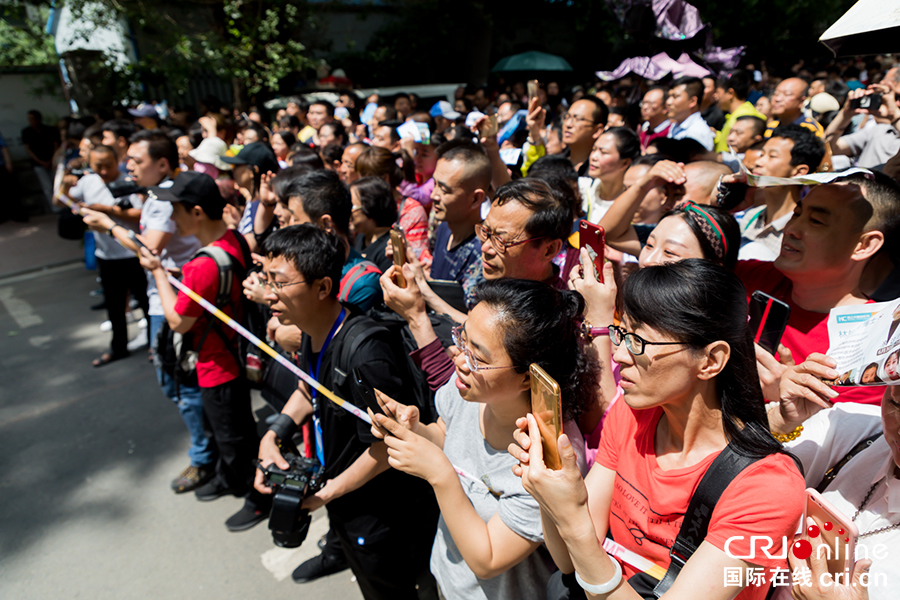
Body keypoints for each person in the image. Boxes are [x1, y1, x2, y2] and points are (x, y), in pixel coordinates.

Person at [510, 259, 805, 600]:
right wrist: (549, 486)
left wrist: (572, 516)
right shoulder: (631, 416)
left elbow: (579, 537)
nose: (619, 355)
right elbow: (567, 561)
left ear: (711, 360)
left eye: (639, 341)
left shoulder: (765, 487)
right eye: (622, 333)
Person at [370, 278, 600, 600]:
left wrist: (439, 474)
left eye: (478, 356)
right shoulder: (469, 390)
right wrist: (416, 430)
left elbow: (487, 559)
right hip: (449, 579)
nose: (460, 360)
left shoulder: (548, 458)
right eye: (462, 340)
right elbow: (446, 435)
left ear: (528, 377)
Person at [254, 225, 439, 600]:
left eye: (280, 283)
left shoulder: (365, 352)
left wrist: (327, 493)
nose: (269, 293)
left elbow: (390, 445)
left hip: (380, 510)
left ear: (323, 287)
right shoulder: (312, 329)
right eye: (267, 280)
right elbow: (310, 388)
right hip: (344, 495)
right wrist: (274, 434)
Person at [138, 170, 270, 532]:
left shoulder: (201, 266)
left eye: (175, 209)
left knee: (234, 437)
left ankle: (257, 497)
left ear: (196, 212)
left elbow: (178, 321)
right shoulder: (233, 240)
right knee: (230, 429)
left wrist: (158, 273)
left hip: (218, 365)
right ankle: (229, 478)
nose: (170, 218)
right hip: (234, 354)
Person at [737, 171, 900, 406]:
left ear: (864, 245)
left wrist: (785, 403)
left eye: (816, 221)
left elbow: (850, 428)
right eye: (797, 214)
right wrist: (723, 206)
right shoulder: (749, 278)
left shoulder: (877, 347)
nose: (791, 229)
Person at [63, 145, 147, 367]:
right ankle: (118, 348)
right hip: (107, 256)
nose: (104, 171)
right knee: (114, 307)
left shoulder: (129, 181)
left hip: (133, 253)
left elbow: (141, 214)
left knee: (146, 302)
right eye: (98, 166)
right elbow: (62, 200)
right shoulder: (88, 182)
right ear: (90, 164)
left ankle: (154, 345)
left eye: (108, 165)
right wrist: (65, 185)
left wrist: (106, 211)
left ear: (117, 161)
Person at [738, 124, 826, 261]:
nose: (758, 162)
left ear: (798, 172)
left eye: (772, 156)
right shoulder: (751, 217)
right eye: (762, 154)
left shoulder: (801, 232)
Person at [354, 146, 428, 259]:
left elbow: (418, 258)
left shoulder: (412, 211)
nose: (360, 186)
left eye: (366, 180)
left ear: (385, 178)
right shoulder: (360, 206)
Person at [825, 81, 900, 169]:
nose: (897, 103)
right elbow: (830, 148)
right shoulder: (881, 130)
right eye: (896, 97)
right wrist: (845, 115)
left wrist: (895, 116)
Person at [581, 127, 641, 223]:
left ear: (625, 163)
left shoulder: (636, 206)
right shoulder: (582, 190)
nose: (594, 157)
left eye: (604, 152)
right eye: (594, 149)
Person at [350, 176, 397, 273]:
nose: (348, 211)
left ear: (370, 205)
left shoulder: (389, 250)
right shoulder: (360, 238)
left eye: (352, 206)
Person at [714, 71, 767, 153]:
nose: (715, 96)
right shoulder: (736, 114)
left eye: (717, 92)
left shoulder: (747, 117)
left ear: (730, 93)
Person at [22, 109, 60, 209]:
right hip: (38, 163)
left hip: (53, 161)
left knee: (57, 185)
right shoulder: (27, 132)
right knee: (47, 187)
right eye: (29, 119)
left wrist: (52, 159)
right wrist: (40, 162)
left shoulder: (49, 130)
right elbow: (28, 149)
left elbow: (56, 145)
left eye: (33, 119)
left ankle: (63, 207)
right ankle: (55, 209)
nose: (31, 121)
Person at [562, 97, 608, 176]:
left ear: (597, 130)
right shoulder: (553, 165)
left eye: (578, 119)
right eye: (567, 117)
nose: (568, 124)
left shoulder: (603, 173)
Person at [666, 77, 715, 151]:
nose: (668, 102)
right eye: (669, 96)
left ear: (692, 101)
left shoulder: (697, 133)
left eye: (675, 97)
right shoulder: (676, 125)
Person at [638, 87, 672, 151]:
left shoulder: (670, 133)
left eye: (651, 103)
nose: (645, 107)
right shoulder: (643, 133)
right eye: (643, 103)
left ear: (665, 108)